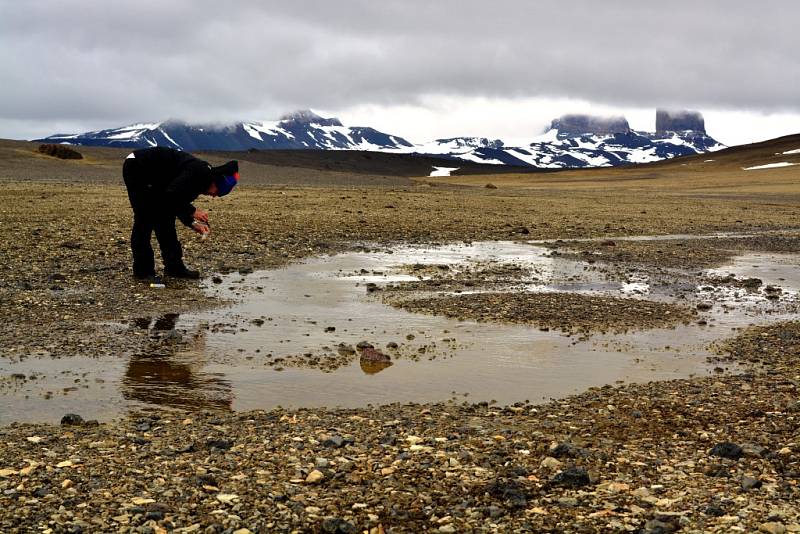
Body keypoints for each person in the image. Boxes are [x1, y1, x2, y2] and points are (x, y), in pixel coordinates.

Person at [122, 147, 239, 285]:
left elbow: (174, 204)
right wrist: (193, 211)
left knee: (165, 217)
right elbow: (172, 195)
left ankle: (174, 268)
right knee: (144, 219)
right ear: (215, 182)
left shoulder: (201, 182)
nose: (214, 196)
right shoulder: (198, 174)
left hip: (158, 179)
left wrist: (193, 223)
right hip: (138, 167)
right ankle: (142, 272)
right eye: (217, 192)